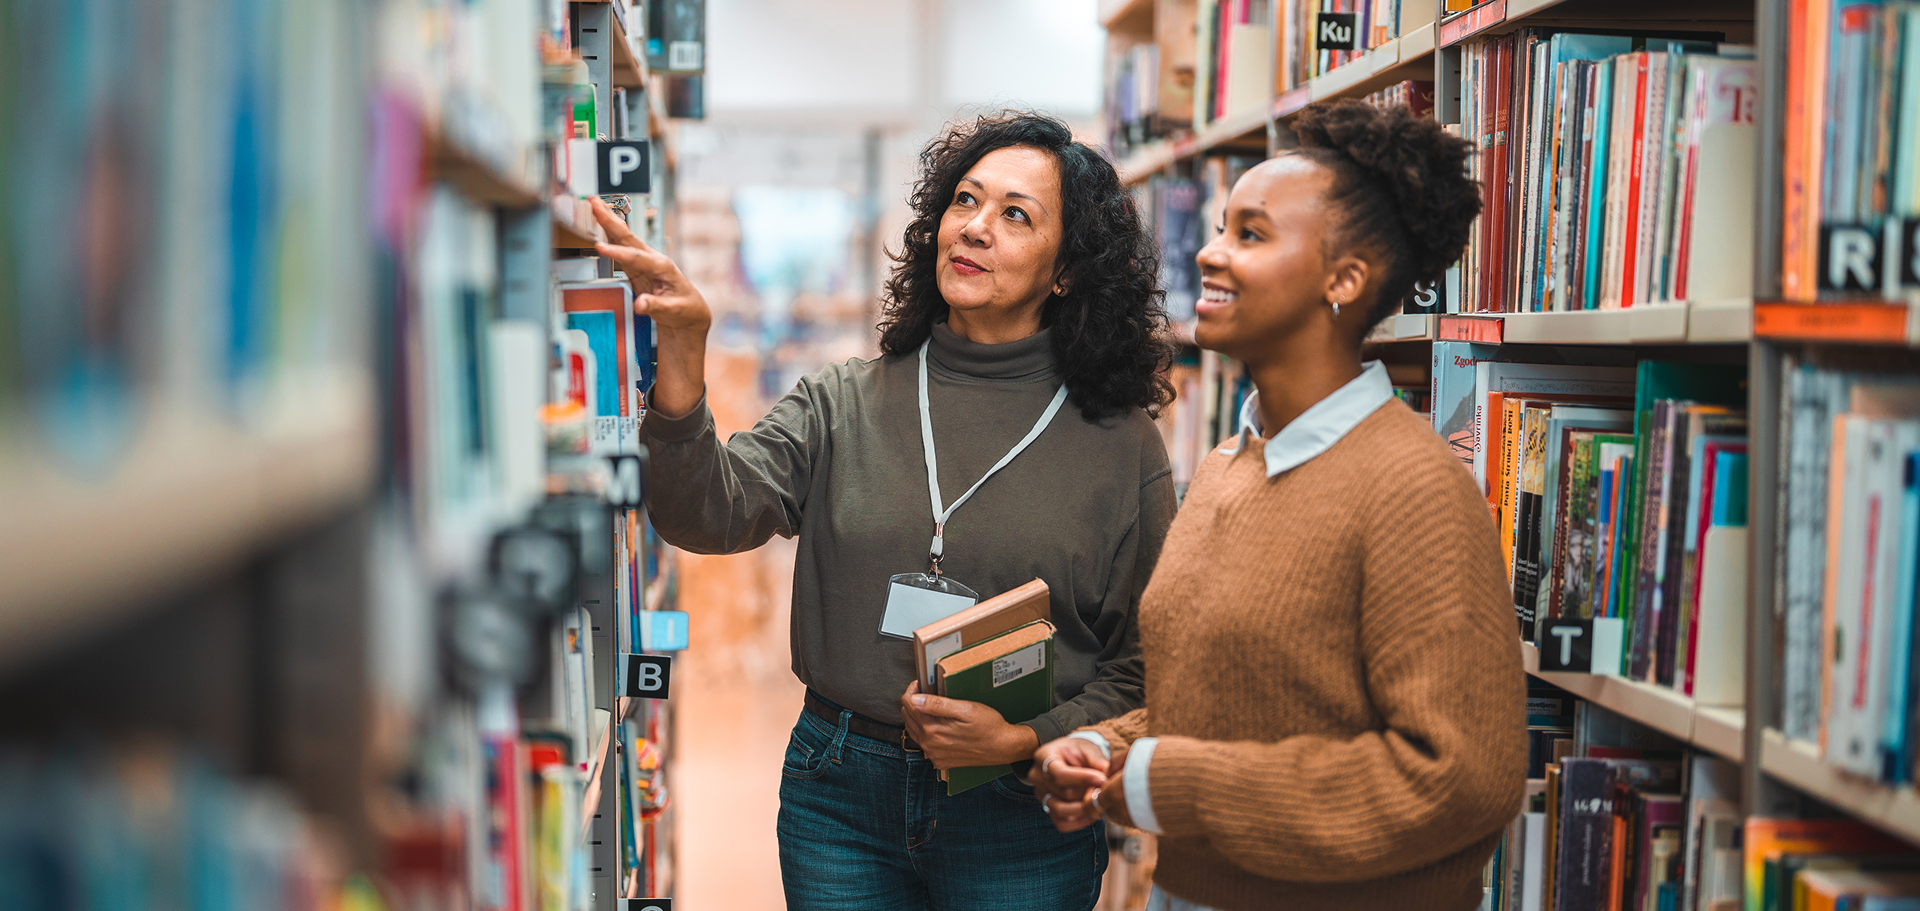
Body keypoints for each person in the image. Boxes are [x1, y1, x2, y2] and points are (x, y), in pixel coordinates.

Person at [591, 110, 1177, 910]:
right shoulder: (844, 400)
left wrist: (1023, 739)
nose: (973, 228)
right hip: (840, 792)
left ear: (1067, 269)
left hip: (1018, 806)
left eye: (1015, 214)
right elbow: (706, 513)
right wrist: (685, 356)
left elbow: (1144, 664)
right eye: (964, 201)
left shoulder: (1120, 444)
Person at [1029, 99, 1526, 911]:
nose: (1211, 256)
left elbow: (1460, 778)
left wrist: (1168, 781)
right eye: (1220, 228)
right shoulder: (1230, 463)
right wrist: (1102, 748)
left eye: (1250, 235)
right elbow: (1224, 699)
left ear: (1345, 278)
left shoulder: (1413, 487)